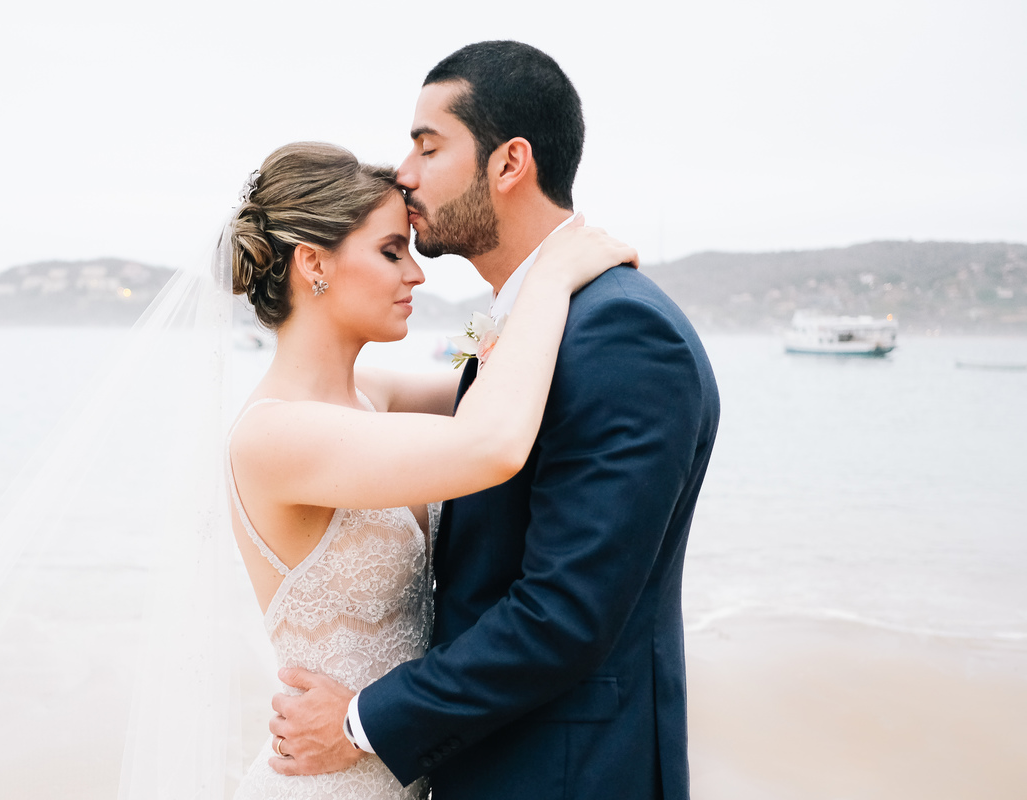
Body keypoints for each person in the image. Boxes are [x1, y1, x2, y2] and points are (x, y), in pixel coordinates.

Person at [269, 42, 720, 800]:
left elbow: (565, 614)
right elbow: (455, 400)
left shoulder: (621, 335)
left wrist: (361, 724)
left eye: (428, 144)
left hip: (565, 775)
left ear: (509, 163)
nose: (404, 173)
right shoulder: (524, 324)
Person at [225, 141, 636, 800]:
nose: (416, 275)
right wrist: (551, 279)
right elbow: (492, 443)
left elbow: (504, 392)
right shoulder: (275, 435)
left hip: (405, 767)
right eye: (391, 251)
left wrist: (533, 285)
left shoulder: (371, 395)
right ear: (314, 264)